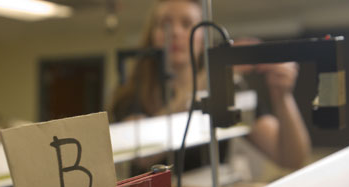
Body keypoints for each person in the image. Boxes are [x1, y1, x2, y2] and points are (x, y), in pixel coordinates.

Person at [109, 0, 310, 171]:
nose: (176, 32)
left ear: (202, 37)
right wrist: (209, 79)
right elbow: (144, 154)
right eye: (165, 24)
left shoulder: (228, 90)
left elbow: (290, 159)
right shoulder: (131, 93)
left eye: (187, 24)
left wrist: (282, 97)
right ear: (152, 35)